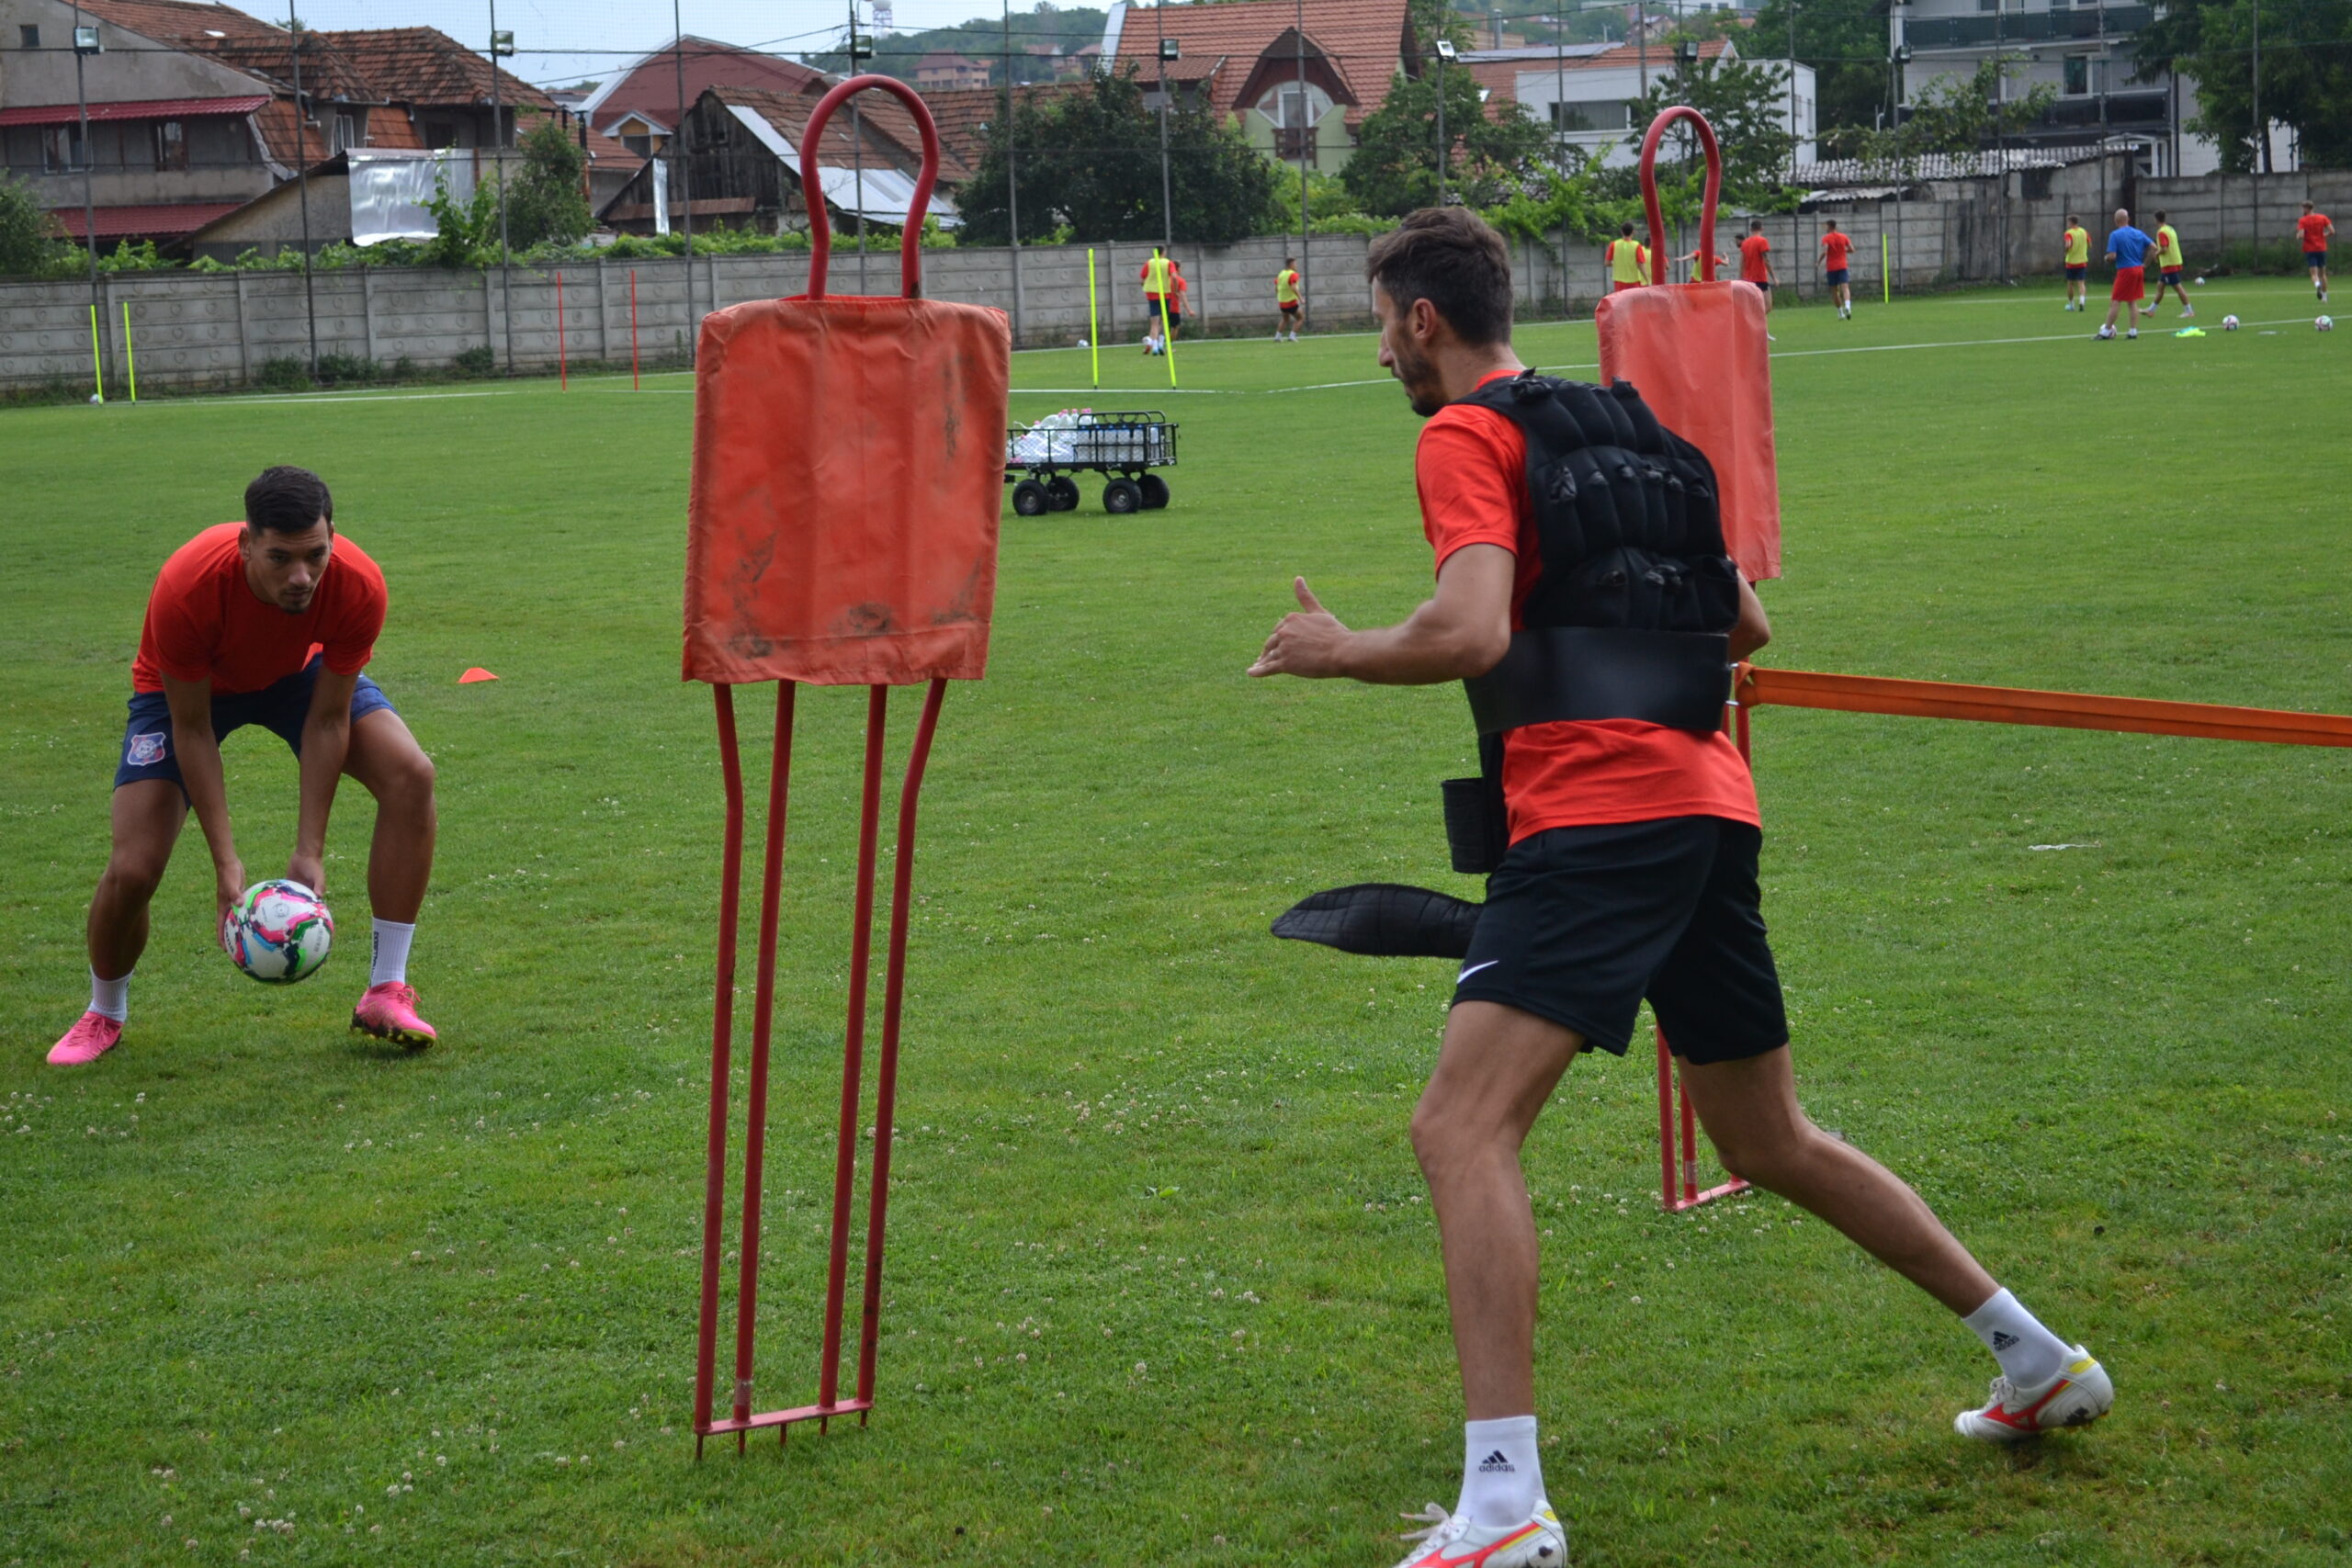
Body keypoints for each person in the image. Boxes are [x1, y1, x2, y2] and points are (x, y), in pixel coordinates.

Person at [1248, 207, 2111, 1568]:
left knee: (1459, 1129)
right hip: (1708, 805)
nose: (1381, 353)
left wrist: (1335, 647)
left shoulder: (1465, 434)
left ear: (1421, 318)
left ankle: (1505, 1502)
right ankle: (2038, 1355)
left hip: (1597, 815)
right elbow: (1745, 624)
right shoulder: (1646, 431)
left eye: (1381, 323)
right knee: (1768, 1139)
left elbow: (1469, 624)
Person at [49, 466, 441, 1066]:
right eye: (280, 558)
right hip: (188, 693)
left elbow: (329, 720)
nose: (301, 576)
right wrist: (226, 866)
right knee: (133, 866)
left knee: (412, 775)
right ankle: (104, 1011)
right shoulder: (189, 585)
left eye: (315, 554)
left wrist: (310, 848)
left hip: (297, 675)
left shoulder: (358, 585)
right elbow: (193, 726)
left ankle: (385, 990)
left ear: (333, 535)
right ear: (246, 544)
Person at [2098, 208, 2154, 340]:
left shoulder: (2115, 235)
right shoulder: (2138, 233)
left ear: (2115, 221)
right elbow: (2154, 247)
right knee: (2131, 301)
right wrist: (2146, 263)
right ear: (2128, 219)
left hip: (2125, 270)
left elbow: (2112, 256)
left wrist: (2106, 258)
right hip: (2138, 269)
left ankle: (2106, 331)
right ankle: (2133, 331)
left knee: (2115, 301)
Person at [2149, 211, 2194, 318]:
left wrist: (2156, 254)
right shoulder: (2170, 229)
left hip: (2169, 263)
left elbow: (2164, 249)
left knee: (2178, 288)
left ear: (2156, 219)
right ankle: (2151, 310)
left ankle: (2189, 311)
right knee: (2160, 286)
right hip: (2174, 261)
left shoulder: (2161, 232)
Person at [1739, 218, 1776, 336]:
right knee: (1768, 305)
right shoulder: (1762, 241)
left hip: (1748, 280)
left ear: (1751, 229)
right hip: (1760, 278)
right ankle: (1757, 327)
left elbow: (1742, 262)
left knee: (1755, 306)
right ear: (1762, 228)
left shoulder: (1745, 243)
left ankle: (1760, 329)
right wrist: (1774, 277)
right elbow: (1766, 260)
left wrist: (1741, 278)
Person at [1818, 219, 1855, 320]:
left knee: (1834, 291)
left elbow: (1825, 252)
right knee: (1845, 288)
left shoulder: (1826, 238)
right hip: (1843, 265)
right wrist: (1844, 251)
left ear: (1829, 227)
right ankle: (1848, 306)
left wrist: (1818, 262)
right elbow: (1852, 249)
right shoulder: (1843, 237)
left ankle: (1840, 313)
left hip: (1831, 267)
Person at [2296, 200, 2333, 302]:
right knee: (2323, 274)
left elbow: (2302, 235)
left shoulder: (2303, 220)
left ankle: (2317, 285)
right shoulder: (2322, 218)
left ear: (2307, 209)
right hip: (2321, 248)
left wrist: (2298, 236)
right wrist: (2324, 235)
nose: (2302, 210)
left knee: (2313, 274)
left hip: (2310, 249)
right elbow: (2332, 231)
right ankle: (2324, 297)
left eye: (2303, 208)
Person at [1140, 245, 1176, 337]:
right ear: (1163, 252)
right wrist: (1175, 290)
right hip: (1165, 294)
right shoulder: (1168, 263)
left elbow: (1142, 279)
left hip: (1152, 294)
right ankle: (1161, 343)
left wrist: (1145, 286)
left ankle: (1152, 343)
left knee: (1154, 323)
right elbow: (1174, 276)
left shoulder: (1149, 263)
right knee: (1164, 320)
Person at [1603, 222, 1649, 293]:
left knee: (1621, 302)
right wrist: (1647, 279)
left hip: (1619, 281)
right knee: (1634, 303)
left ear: (1621, 232)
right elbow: (1640, 264)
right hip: (1634, 281)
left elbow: (1607, 263)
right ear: (1633, 232)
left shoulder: (1614, 244)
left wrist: (1616, 264)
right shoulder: (1637, 245)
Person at [2062, 214, 2091, 311]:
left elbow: (2068, 244)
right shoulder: (2084, 232)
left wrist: (2066, 252)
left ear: (2071, 222)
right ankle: (2082, 301)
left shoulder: (2068, 233)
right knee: (2081, 283)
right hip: (2082, 261)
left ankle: (2071, 305)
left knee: (2070, 283)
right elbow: (2090, 244)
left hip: (2071, 262)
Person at [1276, 256, 1303, 342]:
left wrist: (1279, 295)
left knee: (1285, 319)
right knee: (1300, 318)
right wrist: (1301, 298)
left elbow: (1276, 287)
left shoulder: (1281, 274)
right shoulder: (1293, 274)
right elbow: (1293, 287)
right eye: (1295, 264)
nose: (1296, 266)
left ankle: (1278, 337)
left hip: (1282, 302)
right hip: (1291, 302)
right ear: (1291, 264)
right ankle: (1292, 336)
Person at [1169, 261, 1190, 339]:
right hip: (1174, 307)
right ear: (1177, 269)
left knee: (1163, 326)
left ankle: (1159, 344)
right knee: (1175, 327)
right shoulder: (1180, 281)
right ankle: (1169, 345)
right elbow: (1182, 295)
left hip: (1163, 305)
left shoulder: (1165, 280)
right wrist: (1189, 310)